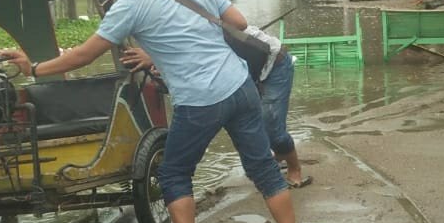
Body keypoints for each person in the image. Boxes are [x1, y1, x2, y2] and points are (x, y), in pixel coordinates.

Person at [0, 0, 311, 223]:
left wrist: (34, 69)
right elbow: (237, 22)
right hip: (240, 85)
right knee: (264, 170)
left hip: (199, 101)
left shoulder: (130, 6)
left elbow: (85, 55)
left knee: (174, 174)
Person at [122, 21, 312, 188]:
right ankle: (275, 160)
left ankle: (294, 168)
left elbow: (197, 49)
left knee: (272, 127)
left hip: (274, 64)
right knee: (254, 126)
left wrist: (155, 57)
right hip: (244, 70)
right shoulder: (176, 36)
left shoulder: (195, 28)